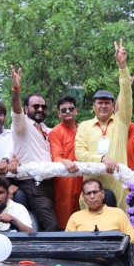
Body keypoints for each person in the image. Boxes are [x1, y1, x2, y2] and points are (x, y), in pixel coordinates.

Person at [75, 39, 132, 210]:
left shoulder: (121, 122)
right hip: (91, 187)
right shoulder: (84, 126)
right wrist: (102, 159)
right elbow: (80, 153)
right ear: (94, 106)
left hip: (118, 185)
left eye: (108, 102)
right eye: (99, 102)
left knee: (118, 227)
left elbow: (127, 96)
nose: (104, 106)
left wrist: (122, 67)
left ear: (114, 106)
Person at [5, 65, 58, 232]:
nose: (40, 109)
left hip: (48, 182)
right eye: (36, 106)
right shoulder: (22, 124)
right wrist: (16, 88)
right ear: (26, 109)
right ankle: (48, 257)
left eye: (43, 107)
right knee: (51, 226)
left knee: (45, 224)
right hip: (33, 183)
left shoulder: (45, 129)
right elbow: (15, 108)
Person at [66, 179, 134, 259]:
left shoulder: (118, 213)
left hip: (113, 262)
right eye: (88, 193)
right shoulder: (75, 217)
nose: (92, 196)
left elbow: (133, 238)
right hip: (83, 263)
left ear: (103, 194)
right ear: (83, 197)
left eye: (95, 192)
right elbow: (66, 244)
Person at [48, 95, 83, 230]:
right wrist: (65, 161)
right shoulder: (55, 132)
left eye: (70, 108)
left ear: (76, 111)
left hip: (84, 178)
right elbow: (56, 157)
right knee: (65, 215)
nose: (67, 111)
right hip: (65, 180)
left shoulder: (83, 129)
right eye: (63, 110)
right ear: (58, 114)